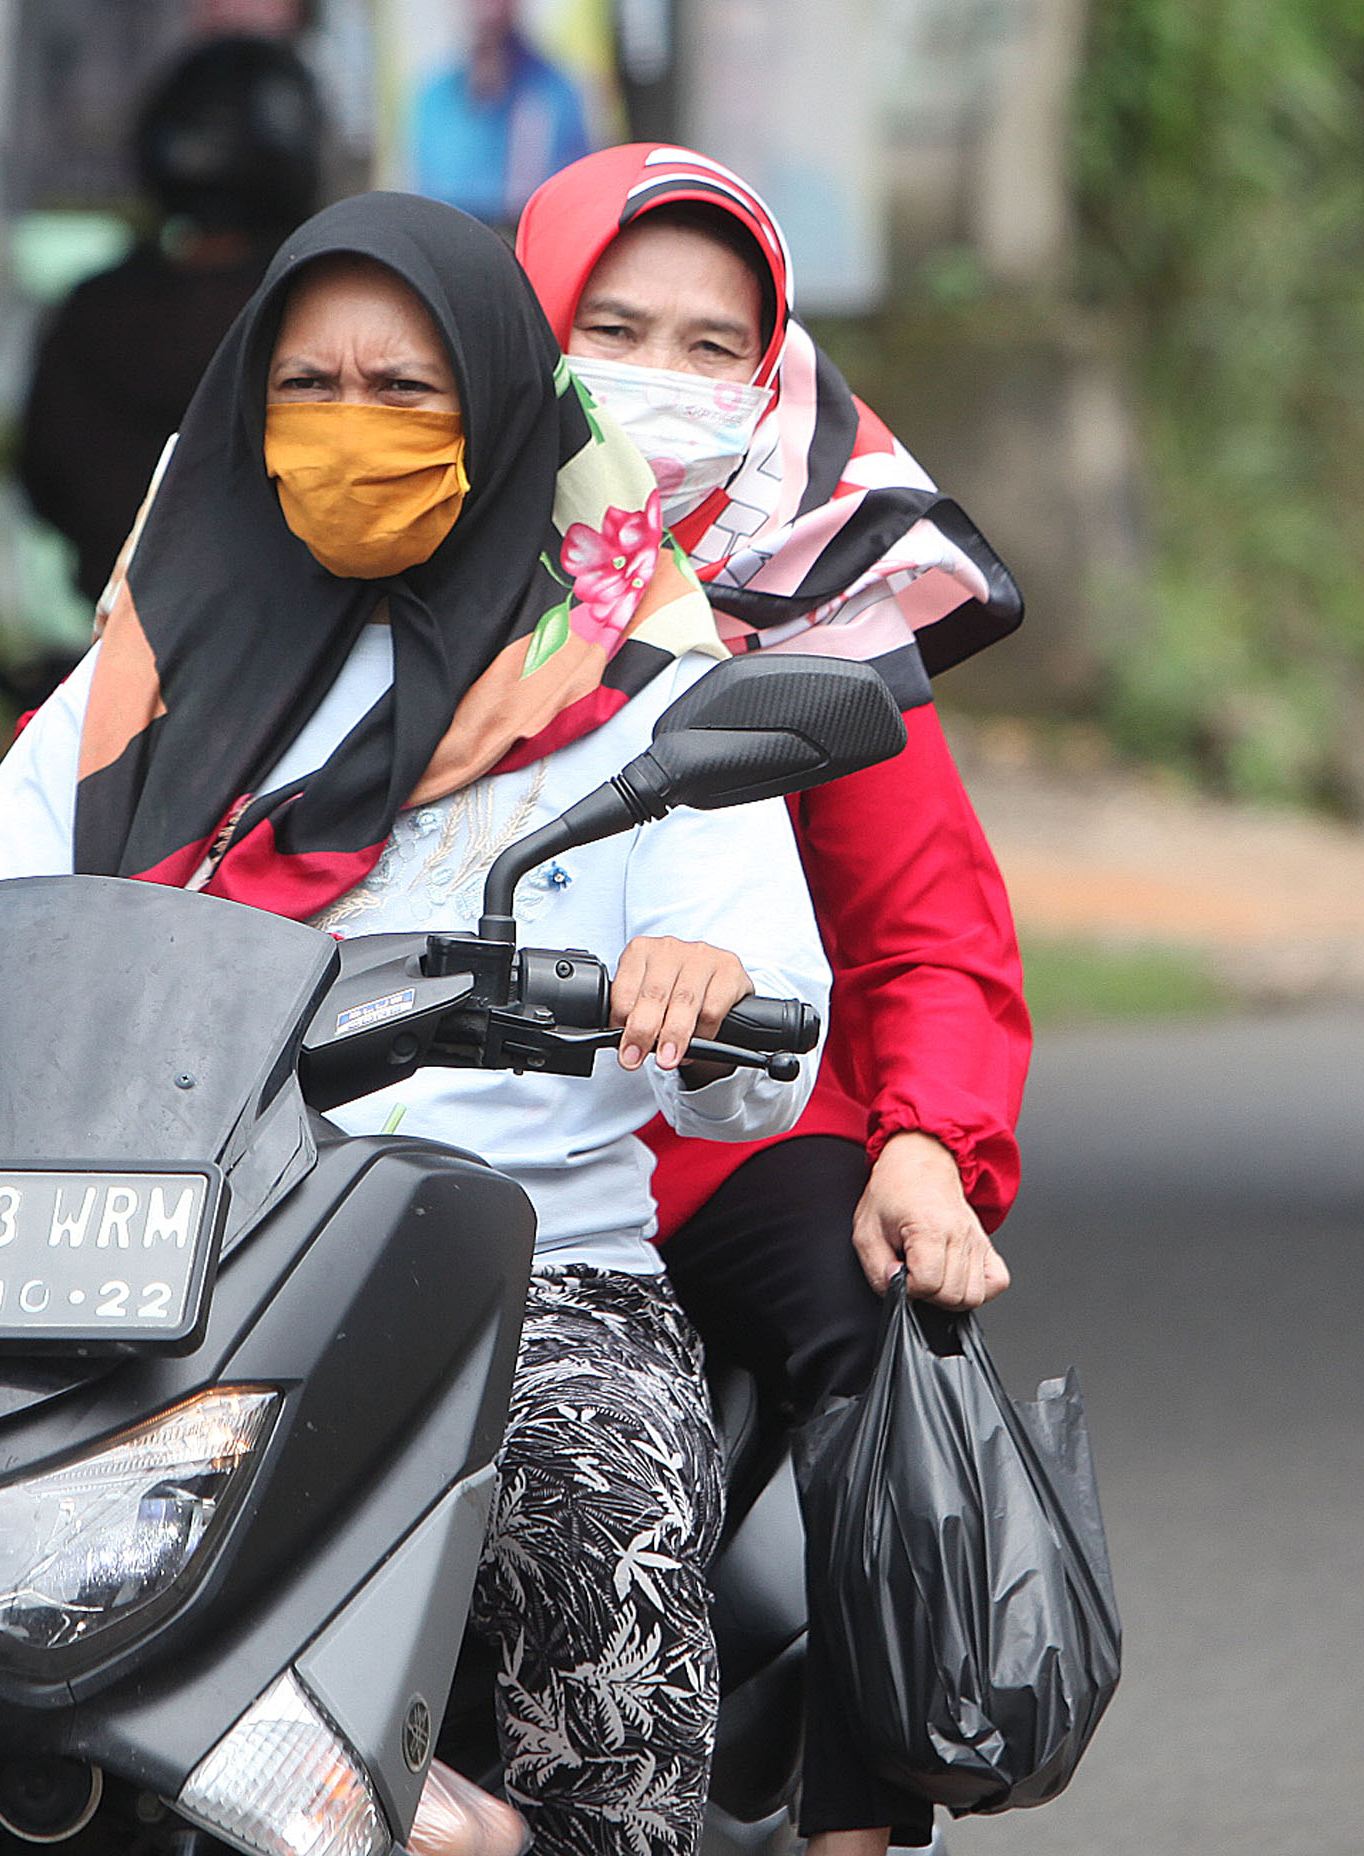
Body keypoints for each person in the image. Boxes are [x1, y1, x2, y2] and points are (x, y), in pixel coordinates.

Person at [0, 191, 835, 1856]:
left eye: (403, 390)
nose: (348, 429)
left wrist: (698, 989)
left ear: (498, 408)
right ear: (247, 404)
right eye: (309, 385)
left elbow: (755, 1065)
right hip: (118, 1255)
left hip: (514, 1274)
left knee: (598, 1530)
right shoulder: (138, 682)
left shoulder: (642, 696)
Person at [514, 144, 1031, 1855]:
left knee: (874, 1320)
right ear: (521, 330)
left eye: (709, 347)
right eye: (609, 331)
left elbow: (925, 930)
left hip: (718, 1125)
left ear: (771, 371)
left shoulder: (818, 602)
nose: (655, 382)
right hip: (421, 1116)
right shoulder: (388, 558)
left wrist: (927, 1145)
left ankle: (851, 1823)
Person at [17, 34, 324, 613]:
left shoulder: (96, 308)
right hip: (276, 622)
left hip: (116, 613)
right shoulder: (310, 308)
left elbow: (41, 475)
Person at [410, 0, 592, 226]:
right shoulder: (434, 96)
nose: (489, 9)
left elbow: (572, 200)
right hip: (450, 236)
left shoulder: (555, 92)